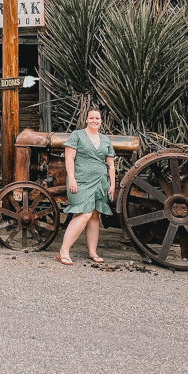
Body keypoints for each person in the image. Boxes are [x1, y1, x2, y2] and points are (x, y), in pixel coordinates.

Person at [56, 108, 116, 265]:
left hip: (101, 182)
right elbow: (69, 158)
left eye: (97, 118)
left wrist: (112, 185)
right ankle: (64, 251)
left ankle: (93, 252)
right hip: (81, 181)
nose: (94, 121)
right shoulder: (77, 135)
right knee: (84, 214)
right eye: (92, 118)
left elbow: (111, 165)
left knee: (95, 216)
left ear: (101, 121)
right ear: (87, 120)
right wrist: (72, 179)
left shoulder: (105, 139)